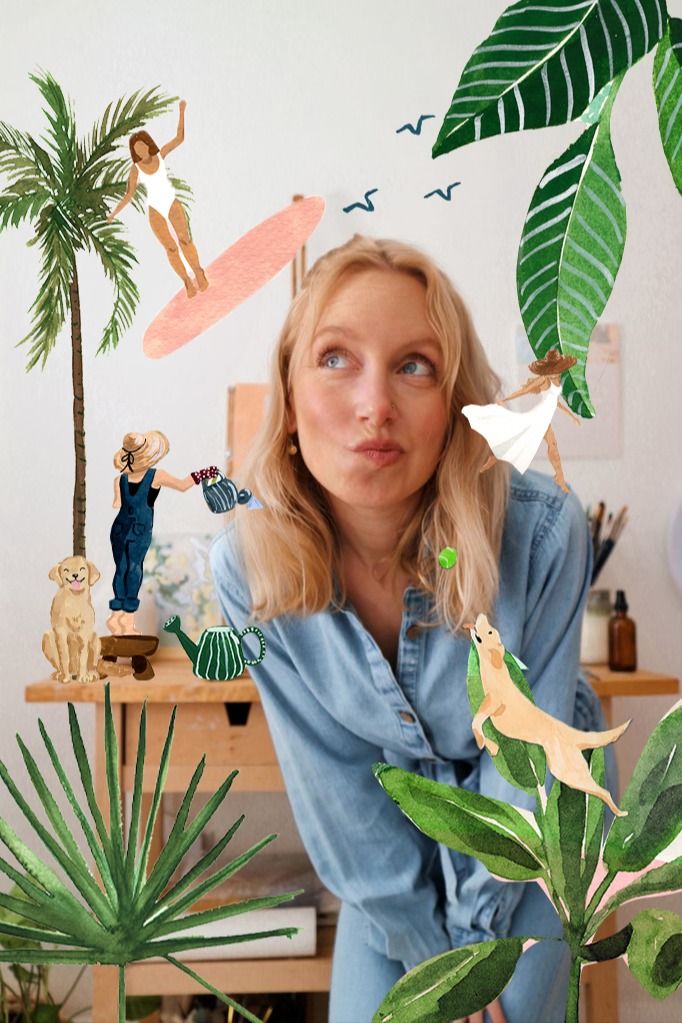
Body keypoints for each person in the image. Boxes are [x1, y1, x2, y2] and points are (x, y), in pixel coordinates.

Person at [209, 236, 609, 1023]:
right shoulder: (248, 569)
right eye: (335, 358)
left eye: (415, 365)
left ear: (457, 402)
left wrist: (469, 957)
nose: (375, 406)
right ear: (287, 398)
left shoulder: (545, 534)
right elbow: (337, 791)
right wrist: (429, 950)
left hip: (540, 818)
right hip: (390, 823)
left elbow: (525, 777)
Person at [108, 430, 217, 636]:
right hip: (138, 530)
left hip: (120, 528)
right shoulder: (155, 475)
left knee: (122, 568)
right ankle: (126, 620)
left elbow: (117, 504)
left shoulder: (120, 480)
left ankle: (119, 617)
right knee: (132, 568)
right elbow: (183, 485)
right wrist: (203, 474)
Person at [106, 100, 209, 299]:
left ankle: (198, 272)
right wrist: (113, 215)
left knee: (184, 240)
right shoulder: (135, 170)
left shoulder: (160, 155)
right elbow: (128, 195)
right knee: (171, 248)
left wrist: (181, 111)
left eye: (142, 146)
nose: (141, 151)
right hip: (155, 210)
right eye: (136, 150)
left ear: (148, 145)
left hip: (171, 202)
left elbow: (179, 138)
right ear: (134, 153)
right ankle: (187, 281)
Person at [462, 349, 582, 493]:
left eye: (558, 369)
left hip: (545, 418)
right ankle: (484, 468)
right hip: (538, 417)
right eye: (555, 369)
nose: (557, 372)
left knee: (552, 446)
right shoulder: (542, 381)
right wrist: (505, 399)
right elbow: (523, 391)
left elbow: (556, 403)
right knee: (514, 444)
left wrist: (572, 416)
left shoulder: (556, 382)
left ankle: (560, 479)